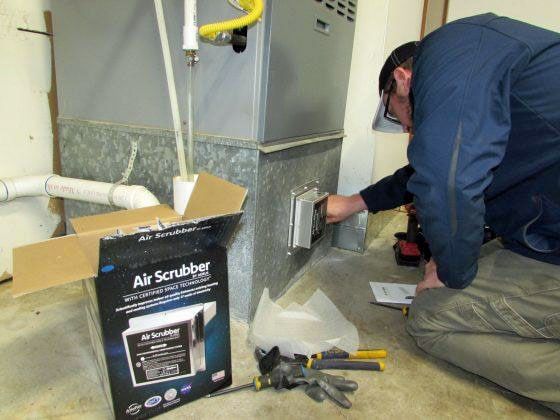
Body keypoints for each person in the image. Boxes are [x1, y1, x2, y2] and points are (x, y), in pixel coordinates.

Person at [327, 13, 560, 413]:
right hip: (546, 235)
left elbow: (445, 179)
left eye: (393, 113)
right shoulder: (474, 51)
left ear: (402, 80)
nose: (403, 129)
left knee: (429, 316)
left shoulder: (450, 58)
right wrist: (355, 202)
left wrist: (451, 271)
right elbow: (426, 170)